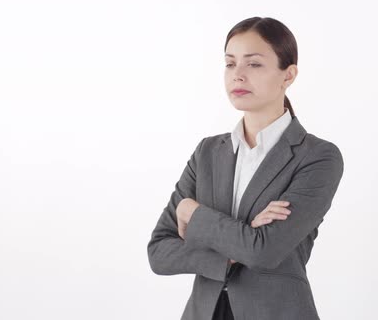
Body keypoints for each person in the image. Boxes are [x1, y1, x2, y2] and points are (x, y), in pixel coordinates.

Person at [147, 16, 344, 320]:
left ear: (288, 75)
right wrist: (235, 247)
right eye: (229, 63)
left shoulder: (317, 157)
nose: (237, 75)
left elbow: (264, 252)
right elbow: (159, 252)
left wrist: (191, 212)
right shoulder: (208, 152)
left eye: (253, 64)